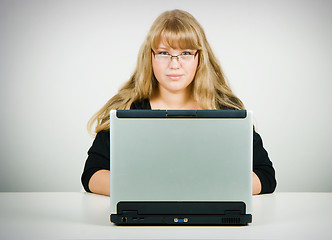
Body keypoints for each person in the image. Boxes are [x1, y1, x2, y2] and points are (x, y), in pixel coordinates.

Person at [81, 9, 276, 196]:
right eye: (164, 53)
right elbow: (92, 174)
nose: (174, 64)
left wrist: (205, 186)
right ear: (150, 57)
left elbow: (265, 176)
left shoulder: (226, 109)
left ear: (199, 57)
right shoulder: (125, 108)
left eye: (186, 53)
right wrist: (155, 188)